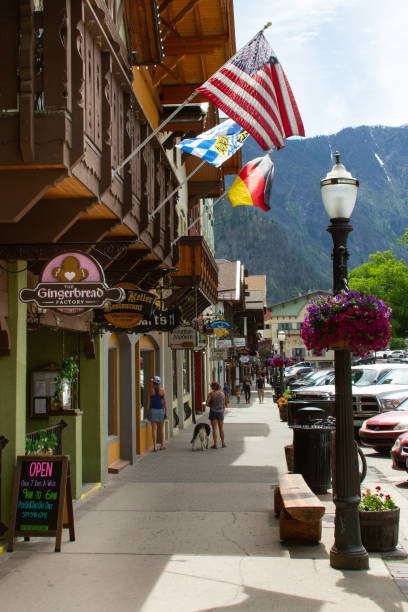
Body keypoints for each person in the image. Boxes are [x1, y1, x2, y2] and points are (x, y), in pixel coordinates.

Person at [146, 375, 168, 451]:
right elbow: (165, 403)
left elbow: (148, 403)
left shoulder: (150, 391)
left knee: (154, 429)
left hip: (153, 411)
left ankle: (155, 446)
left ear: (153, 382)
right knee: (161, 429)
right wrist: (166, 412)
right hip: (160, 411)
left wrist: (147, 412)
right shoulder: (162, 391)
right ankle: (162, 445)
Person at [206, 381, 226, 448]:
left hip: (213, 412)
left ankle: (215, 444)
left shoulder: (211, 394)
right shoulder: (222, 394)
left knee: (214, 428)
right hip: (220, 412)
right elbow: (223, 405)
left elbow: (207, 403)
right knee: (221, 428)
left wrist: (211, 405)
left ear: (212, 387)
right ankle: (223, 443)